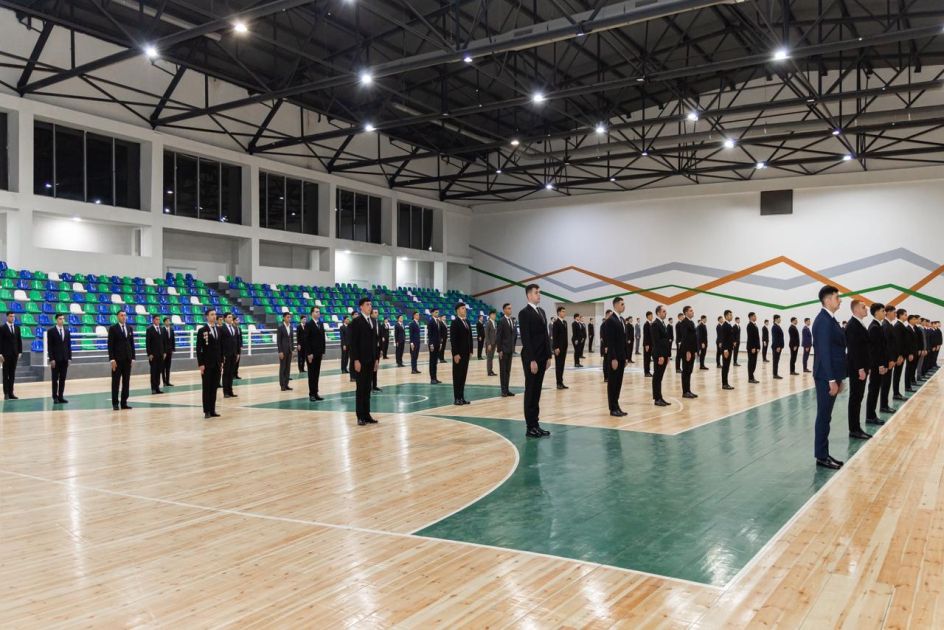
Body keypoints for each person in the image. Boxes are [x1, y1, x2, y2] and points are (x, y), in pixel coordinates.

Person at [812, 285, 848, 469]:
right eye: (837, 297)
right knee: (823, 416)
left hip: (832, 375)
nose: (840, 300)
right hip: (826, 376)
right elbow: (824, 352)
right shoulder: (823, 321)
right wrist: (832, 380)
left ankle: (824, 454)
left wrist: (839, 378)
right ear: (827, 300)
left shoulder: (830, 319)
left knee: (826, 417)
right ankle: (821, 456)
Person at [519, 284, 552, 437]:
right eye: (536, 292)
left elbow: (545, 335)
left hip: (542, 357)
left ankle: (536, 424)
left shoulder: (542, 311)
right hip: (531, 358)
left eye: (539, 292)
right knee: (531, 391)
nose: (539, 295)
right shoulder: (524, 313)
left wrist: (549, 356)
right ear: (529, 295)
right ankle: (529, 426)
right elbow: (526, 338)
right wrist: (532, 360)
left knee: (537, 391)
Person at [349, 297, 379, 426]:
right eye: (367, 304)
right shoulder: (356, 322)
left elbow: (375, 342)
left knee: (367, 389)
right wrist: (355, 360)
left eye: (371, 304)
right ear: (361, 307)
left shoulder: (373, 320)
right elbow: (353, 343)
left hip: (371, 360)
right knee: (360, 389)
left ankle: (367, 414)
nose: (370, 306)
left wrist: (376, 359)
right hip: (361, 361)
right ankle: (360, 416)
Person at [845, 300, 872, 440]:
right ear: (855, 310)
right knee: (855, 398)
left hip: (862, 367)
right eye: (863, 307)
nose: (866, 309)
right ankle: (854, 429)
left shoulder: (859, 323)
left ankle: (856, 427)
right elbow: (853, 349)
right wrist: (861, 368)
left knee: (858, 397)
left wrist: (868, 366)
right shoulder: (852, 325)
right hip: (857, 368)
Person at [602, 298, 628, 416]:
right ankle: (612, 408)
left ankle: (617, 405)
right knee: (613, 383)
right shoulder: (610, 320)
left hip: (621, 356)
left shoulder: (621, 319)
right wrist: (613, 358)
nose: (624, 306)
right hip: (615, 357)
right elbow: (610, 341)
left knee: (618, 383)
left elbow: (623, 340)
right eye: (622, 304)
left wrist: (626, 357)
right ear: (616, 305)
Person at [865, 303, 889, 425]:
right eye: (883, 311)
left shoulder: (878, 326)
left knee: (875, 390)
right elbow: (875, 350)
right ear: (876, 313)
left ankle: (872, 415)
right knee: (873, 390)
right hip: (876, 365)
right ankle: (870, 416)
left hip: (878, 364)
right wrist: (880, 365)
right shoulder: (874, 327)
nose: (885, 313)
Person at [196, 309, 222, 419]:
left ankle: (212, 409)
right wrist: (201, 364)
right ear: (207, 316)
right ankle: (206, 410)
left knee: (214, 387)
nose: (214, 316)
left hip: (217, 363)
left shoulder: (218, 330)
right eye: (212, 314)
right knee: (206, 387)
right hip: (207, 364)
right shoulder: (202, 330)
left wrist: (221, 361)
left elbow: (220, 347)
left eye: (215, 314)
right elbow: (199, 348)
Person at [108, 311, 136, 410]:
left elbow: (132, 344)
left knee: (126, 382)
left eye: (125, 315)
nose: (123, 317)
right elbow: (110, 345)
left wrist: (133, 357)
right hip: (117, 360)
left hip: (127, 359)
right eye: (121, 315)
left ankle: (124, 403)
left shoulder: (129, 328)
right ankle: (115, 403)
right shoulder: (113, 328)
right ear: (117, 317)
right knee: (115, 382)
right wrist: (112, 359)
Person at [46, 313, 72, 404]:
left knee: (62, 379)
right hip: (55, 360)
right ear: (56, 320)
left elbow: (68, 346)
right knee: (55, 379)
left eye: (63, 318)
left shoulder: (67, 331)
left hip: (65, 359)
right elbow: (50, 346)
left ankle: (61, 396)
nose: (62, 320)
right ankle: (55, 397)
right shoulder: (51, 331)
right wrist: (51, 359)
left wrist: (69, 358)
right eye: (60, 318)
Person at [451, 303, 473, 404]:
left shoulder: (467, 321)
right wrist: (455, 354)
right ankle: (457, 398)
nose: (465, 310)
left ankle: (462, 397)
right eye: (463, 308)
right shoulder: (455, 322)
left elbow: (470, 337)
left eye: (465, 308)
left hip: (466, 353)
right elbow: (453, 339)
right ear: (458, 310)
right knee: (457, 376)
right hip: (459, 354)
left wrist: (471, 350)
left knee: (463, 375)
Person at [305, 306, 326, 401]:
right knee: (311, 374)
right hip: (311, 354)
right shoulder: (308, 324)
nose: (318, 313)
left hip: (319, 353)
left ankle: (316, 392)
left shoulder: (321, 324)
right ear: (312, 313)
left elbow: (322, 338)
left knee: (317, 373)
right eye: (316, 312)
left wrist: (323, 351)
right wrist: (309, 353)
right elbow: (306, 340)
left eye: (319, 312)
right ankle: (311, 394)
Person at [0, 311, 23, 400]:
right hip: (5, 355)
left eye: (13, 316)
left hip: (14, 354)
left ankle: (11, 393)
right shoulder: (2, 328)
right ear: (7, 317)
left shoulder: (17, 328)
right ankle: (6, 393)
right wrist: (0, 354)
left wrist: (20, 352)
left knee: (12, 374)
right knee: (5, 374)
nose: (12, 318)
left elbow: (19, 340)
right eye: (10, 316)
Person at [651, 306, 670, 406]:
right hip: (659, 355)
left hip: (664, 354)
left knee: (660, 377)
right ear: (658, 313)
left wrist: (667, 355)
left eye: (665, 311)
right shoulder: (655, 324)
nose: (665, 313)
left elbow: (665, 341)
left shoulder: (662, 323)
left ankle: (660, 397)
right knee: (657, 377)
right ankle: (657, 398)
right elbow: (656, 342)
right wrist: (661, 356)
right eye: (663, 311)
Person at [496, 303, 517, 397]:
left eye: (511, 308)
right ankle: (503, 390)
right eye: (508, 308)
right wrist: (499, 350)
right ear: (504, 310)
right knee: (503, 371)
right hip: (503, 350)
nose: (510, 310)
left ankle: (507, 389)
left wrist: (513, 347)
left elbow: (513, 335)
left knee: (508, 371)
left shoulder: (512, 320)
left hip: (510, 349)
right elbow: (498, 336)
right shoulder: (501, 321)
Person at [881, 305, 899, 412]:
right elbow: (887, 345)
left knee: (887, 383)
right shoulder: (885, 325)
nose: (895, 314)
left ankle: (885, 405)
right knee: (885, 383)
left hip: (891, 359)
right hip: (888, 360)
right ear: (887, 312)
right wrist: (891, 360)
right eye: (894, 312)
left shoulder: (889, 325)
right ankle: (883, 406)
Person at [678, 305, 697, 398]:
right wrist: (688, 351)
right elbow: (685, 338)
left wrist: (695, 350)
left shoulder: (691, 322)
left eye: (692, 310)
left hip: (692, 350)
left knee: (689, 371)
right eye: (690, 311)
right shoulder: (684, 323)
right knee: (685, 371)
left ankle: (688, 390)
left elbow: (693, 338)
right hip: (687, 350)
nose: (692, 312)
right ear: (686, 313)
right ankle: (685, 392)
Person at [220, 312, 239, 398]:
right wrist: (222, 355)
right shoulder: (222, 328)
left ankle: (230, 391)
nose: (231, 318)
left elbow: (236, 341)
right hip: (226, 354)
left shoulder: (234, 328)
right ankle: (226, 392)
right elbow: (220, 343)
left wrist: (237, 353)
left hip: (233, 354)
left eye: (231, 317)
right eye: (229, 317)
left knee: (231, 373)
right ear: (225, 319)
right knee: (226, 373)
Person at [144, 314, 164, 395]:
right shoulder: (149, 329)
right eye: (156, 319)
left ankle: (157, 387)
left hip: (160, 354)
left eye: (159, 319)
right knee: (153, 372)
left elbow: (163, 342)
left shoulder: (162, 329)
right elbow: (147, 343)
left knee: (159, 371)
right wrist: (149, 353)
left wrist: (164, 352)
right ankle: (153, 388)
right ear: (153, 320)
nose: (158, 321)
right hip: (153, 355)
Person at [552, 306, 568, 389]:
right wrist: (556, 347)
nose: (564, 313)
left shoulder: (565, 322)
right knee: (558, 366)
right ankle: (558, 383)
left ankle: (561, 382)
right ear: (559, 312)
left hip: (564, 347)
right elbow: (555, 336)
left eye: (564, 311)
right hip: (558, 348)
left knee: (562, 365)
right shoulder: (556, 323)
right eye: (563, 311)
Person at [277, 312, 294, 391]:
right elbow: (278, 341)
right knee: (283, 368)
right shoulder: (280, 327)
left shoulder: (291, 327)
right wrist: (280, 351)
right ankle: (282, 385)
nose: (289, 318)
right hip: (283, 351)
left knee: (288, 368)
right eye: (287, 317)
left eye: (290, 317)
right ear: (284, 318)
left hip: (289, 351)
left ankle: (286, 384)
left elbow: (292, 339)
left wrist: (292, 349)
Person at [719, 310, 735, 390]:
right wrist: (725, 350)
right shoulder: (725, 326)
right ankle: (724, 384)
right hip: (726, 349)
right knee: (725, 366)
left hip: (729, 348)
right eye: (729, 315)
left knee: (727, 366)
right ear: (726, 316)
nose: (731, 316)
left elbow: (729, 337)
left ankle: (726, 383)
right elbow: (723, 338)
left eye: (731, 315)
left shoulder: (729, 325)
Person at [427, 309, 442, 384]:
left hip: (437, 343)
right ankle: (432, 378)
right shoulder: (430, 322)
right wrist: (431, 344)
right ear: (432, 313)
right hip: (432, 344)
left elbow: (439, 333)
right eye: (436, 312)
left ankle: (435, 378)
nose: (437, 313)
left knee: (435, 362)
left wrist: (440, 343)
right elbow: (429, 334)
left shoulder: (438, 321)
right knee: (432, 361)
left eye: (438, 312)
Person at [746, 312, 760, 383]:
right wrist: (753, 347)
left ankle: (752, 377)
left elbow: (757, 337)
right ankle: (750, 378)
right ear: (751, 317)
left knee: (754, 363)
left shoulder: (754, 325)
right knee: (751, 363)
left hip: (755, 347)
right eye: (754, 316)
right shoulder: (749, 325)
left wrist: (758, 347)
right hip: (752, 347)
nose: (755, 317)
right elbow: (750, 337)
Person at [161, 317, 176, 387]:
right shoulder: (162, 330)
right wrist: (163, 352)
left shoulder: (172, 329)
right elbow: (161, 342)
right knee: (163, 367)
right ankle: (164, 382)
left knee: (168, 367)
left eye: (169, 321)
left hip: (170, 351)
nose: (168, 322)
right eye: (167, 321)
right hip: (164, 352)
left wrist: (173, 349)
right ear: (164, 322)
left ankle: (168, 381)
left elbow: (173, 340)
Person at [485, 310, 498, 376]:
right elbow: (486, 334)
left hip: (494, 343)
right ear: (490, 315)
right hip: (490, 344)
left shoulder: (494, 322)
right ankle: (489, 372)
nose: (495, 316)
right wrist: (488, 344)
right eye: (494, 314)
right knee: (489, 358)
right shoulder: (488, 323)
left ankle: (491, 370)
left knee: (491, 357)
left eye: (495, 314)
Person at [642, 311, 653, 377]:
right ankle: (646, 372)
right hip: (647, 345)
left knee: (649, 359)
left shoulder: (651, 324)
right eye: (651, 315)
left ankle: (648, 371)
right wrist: (646, 345)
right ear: (648, 316)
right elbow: (646, 335)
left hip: (651, 344)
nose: (652, 317)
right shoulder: (646, 324)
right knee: (646, 359)